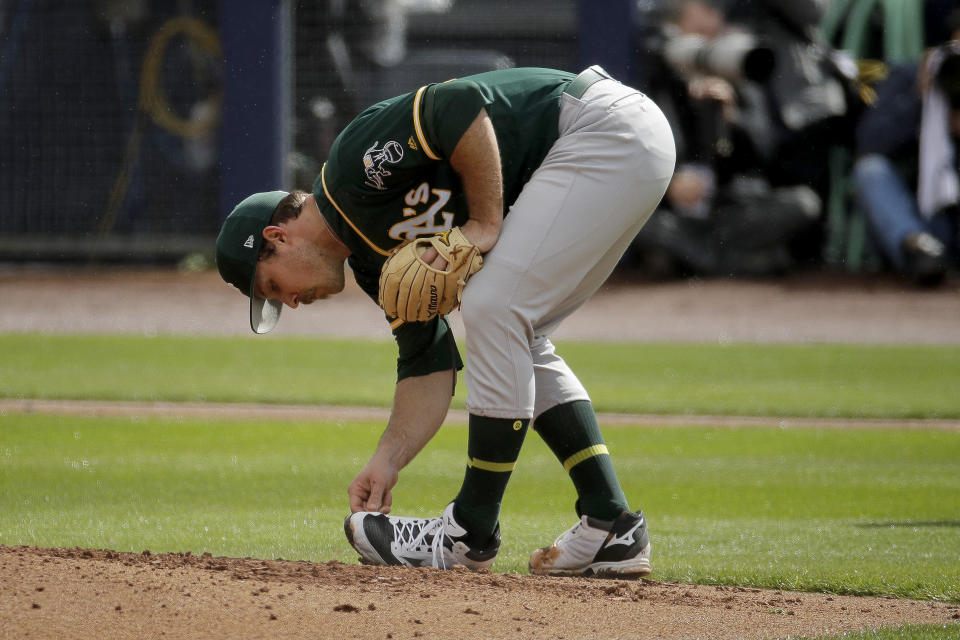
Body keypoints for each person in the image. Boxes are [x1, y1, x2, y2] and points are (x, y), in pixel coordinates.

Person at [215, 65, 675, 577]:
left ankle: (469, 529)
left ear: (277, 238)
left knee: (493, 309)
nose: (292, 304)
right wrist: (388, 457)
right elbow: (427, 364)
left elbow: (457, 103)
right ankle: (610, 524)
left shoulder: (350, 169)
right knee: (517, 332)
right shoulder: (375, 265)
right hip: (614, 146)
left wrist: (485, 223)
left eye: (275, 288)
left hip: (599, 128)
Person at [851, 33, 960, 285]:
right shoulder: (908, 76)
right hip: (922, 217)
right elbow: (869, 142)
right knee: (870, 170)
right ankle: (920, 249)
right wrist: (919, 98)